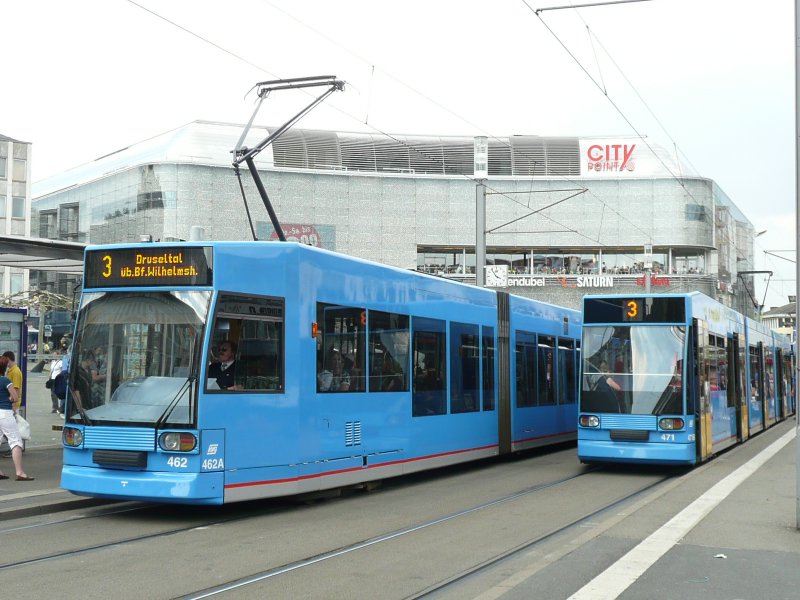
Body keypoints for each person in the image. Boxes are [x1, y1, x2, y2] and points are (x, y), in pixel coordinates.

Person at [0, 356, 34, 481]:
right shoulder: (5, 380)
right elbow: (14, 397)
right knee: (15, 442)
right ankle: (20, 473)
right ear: (4, 368)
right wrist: (9, 399)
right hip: (5, 414)